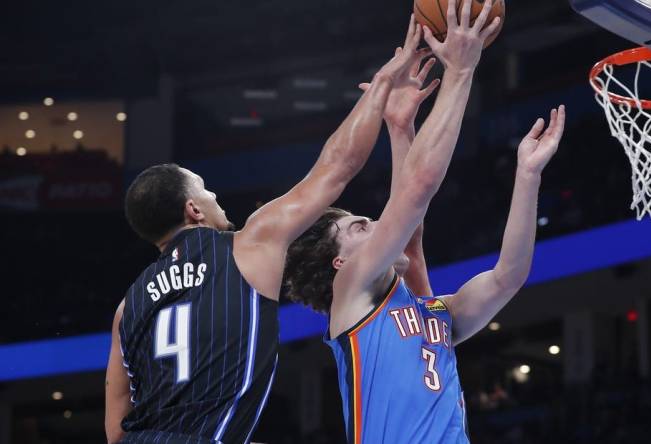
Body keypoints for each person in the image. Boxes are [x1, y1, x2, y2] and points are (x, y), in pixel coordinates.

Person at [103, 18, 428, 444]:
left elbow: (116, 424)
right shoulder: (248, 245)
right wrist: (384, 82)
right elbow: (337, 167)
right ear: (193, 209)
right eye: (206, 190)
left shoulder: (127, 307)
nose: (216, 195)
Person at [284, 0, 565, 441]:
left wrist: (527, 176)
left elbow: (507, 276)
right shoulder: (352, 292)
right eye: (359, 227)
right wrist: (460, 71)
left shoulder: (432, 312)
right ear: (339, 263)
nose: (376, 224)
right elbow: (412, 198)